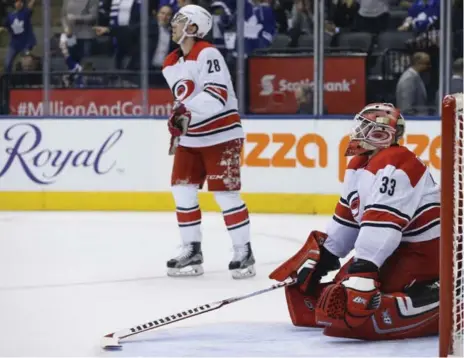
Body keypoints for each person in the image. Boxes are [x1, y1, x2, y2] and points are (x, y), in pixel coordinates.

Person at [270, 103, 440, 340]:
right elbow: (347, 220)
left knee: (354, 307)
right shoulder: (359, 165)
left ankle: (434, 290)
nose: (356, 131)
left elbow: (383, 225)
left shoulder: (397, 161)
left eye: (364, 127)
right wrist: (323, 259)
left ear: (381, 134)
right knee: (335, 297)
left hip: (425, 253)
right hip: (396, 249)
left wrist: (365, 270)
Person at [162, 4, 255, 279]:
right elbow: (185, 100)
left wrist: (184, 112)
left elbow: (216, 95)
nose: (173, 25)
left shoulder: (208, 53)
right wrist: (180, 119)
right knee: (182, 190)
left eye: (179, 21)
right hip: (193, 137)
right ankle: (192, 249)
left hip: (222, 134)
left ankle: (243, 251)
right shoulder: (170, 63)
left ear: (192, 28)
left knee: (225, 195)